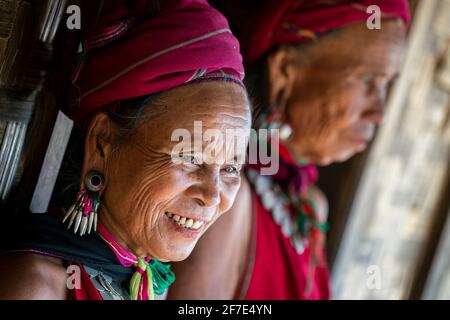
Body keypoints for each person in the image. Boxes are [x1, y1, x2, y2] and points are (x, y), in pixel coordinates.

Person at [0, 0, 250, 300]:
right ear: (101, 145)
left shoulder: (151, 287)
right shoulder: (37, 286)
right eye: (190, 157)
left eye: (230, 168)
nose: (212, 196)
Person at [168, 0, 410, 299]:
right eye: (366, 81)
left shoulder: (309, 206)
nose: (379, 112)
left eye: (387, 84)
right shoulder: (223, 201)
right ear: (284, 71)